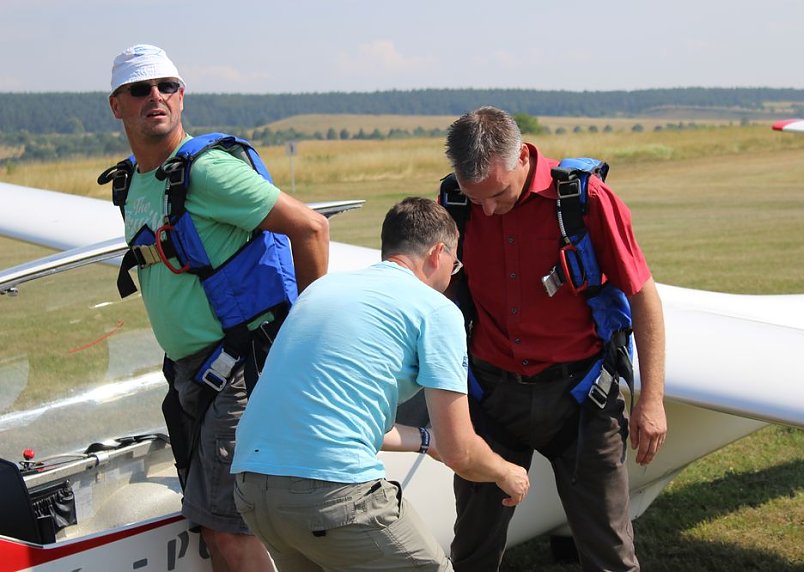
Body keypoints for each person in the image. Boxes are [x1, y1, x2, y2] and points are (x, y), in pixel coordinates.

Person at [106, 44, 329, 571]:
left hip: (236, 369)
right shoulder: (134, 181)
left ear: (182, 97)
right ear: (117, 105)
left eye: (167, 87)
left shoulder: (206, 173)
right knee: (212, 522)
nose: (155, 97)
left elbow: (312, 227)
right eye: (140, 89)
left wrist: (309, 334)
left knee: (229, 529)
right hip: (191, 372)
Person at [231, 197, 530, 572]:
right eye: (455, 264)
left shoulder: (321, 290)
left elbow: (339, 415)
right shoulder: (436, 310)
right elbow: (460, 452)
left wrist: (425, 440)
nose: (452, 275)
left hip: (253, 490)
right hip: (333, 491)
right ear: (438, 253)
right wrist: (507, 472)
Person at [441, 106, 667, 571]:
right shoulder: (455, 205)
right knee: (472, 552)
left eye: (498, 193)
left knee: (609, 553)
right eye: (474, 197)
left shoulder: (585, 199)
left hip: (581, 398)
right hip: (491, 396)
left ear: (523, 156)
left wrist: (652, 399)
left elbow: (643, 296)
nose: (487, 209)